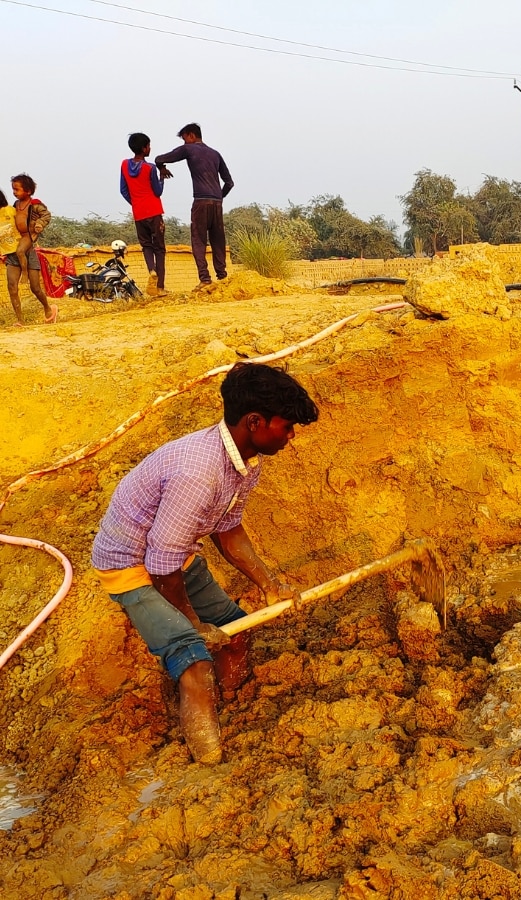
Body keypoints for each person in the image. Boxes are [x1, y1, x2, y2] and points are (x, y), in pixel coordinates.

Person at [91, 363, 319, 764]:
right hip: (131, 565)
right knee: (194, 660)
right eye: (285, 427)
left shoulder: (245, 463)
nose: (290, 436)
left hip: (174, 555)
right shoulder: (199, 471)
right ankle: (208, 763)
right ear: (254, 422)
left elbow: (228, 528)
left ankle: (233, 704)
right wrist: (193, 626)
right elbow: (161, 564)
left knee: (234, 630)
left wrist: (269, 584)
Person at [155, 123, 234, 286]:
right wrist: (219, 197)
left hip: (200, 201)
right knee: (218, 240)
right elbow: (229, 183)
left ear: (191, 135)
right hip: (217, 203)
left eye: (185, 139)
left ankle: (205, 279)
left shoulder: (188, 149)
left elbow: (159, 158)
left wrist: (161, 168)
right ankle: (222, 276)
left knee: (198, 240)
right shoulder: (215, 154)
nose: (184, 143)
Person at [5, 174, 56, 326]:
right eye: (13, 189)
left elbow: (46, 215)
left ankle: (48, 308)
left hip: (27, 241)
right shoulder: (15, 205)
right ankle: (20, 320)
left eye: (17, 189)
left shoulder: (35, 204)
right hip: (14, 245)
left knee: (35, 287)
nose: (14, 192)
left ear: (27, 191)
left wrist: (39, 224)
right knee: (12, 286)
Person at [121, 132, 167, 297]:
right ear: (143, 148)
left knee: (146, 246)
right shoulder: (150, 168)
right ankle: (160, 287)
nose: (150, 148)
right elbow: (157, 191)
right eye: (148, 145)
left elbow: (123, 190)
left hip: (139, 213)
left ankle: (151, 270)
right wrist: (161, 178)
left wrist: (136, 203)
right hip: (154, 212)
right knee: (160, 249)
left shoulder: (124, 165)